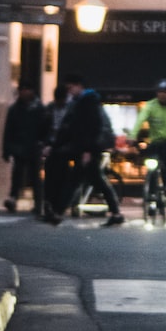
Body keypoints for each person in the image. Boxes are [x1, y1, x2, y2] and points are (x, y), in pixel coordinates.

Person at [43, 74, 124, 227]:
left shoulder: (88, 102)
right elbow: (70, 128)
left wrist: (88, 150)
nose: (69, 91)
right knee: (89, 180)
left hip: (88, 150)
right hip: (85, 149)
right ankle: (115, 213)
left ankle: (59, 213)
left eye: (70, 87)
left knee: (84, 180)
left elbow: (91, 127)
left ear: (79, 85)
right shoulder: (79, 102)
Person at [131, 79, 166, 209]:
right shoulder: (150, 105)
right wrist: (132, 135)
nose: (162, 95)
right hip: (155, 142)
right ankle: (151, 193)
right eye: (159, 92)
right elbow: (140, 120)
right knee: (151, 166)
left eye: (165, 92)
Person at [2, 82, 46, 212]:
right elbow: (8, 130)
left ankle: (38, 202)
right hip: (19, 147)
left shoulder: (39, 108)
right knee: (17, 174)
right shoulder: (15, 109)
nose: (24, 93)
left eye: (27, 90)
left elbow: (44, 128)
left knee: (35, 176)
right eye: (22, 90)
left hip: (34, 146)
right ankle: (13, 198)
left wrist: (42, 142)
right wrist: (6, 150)